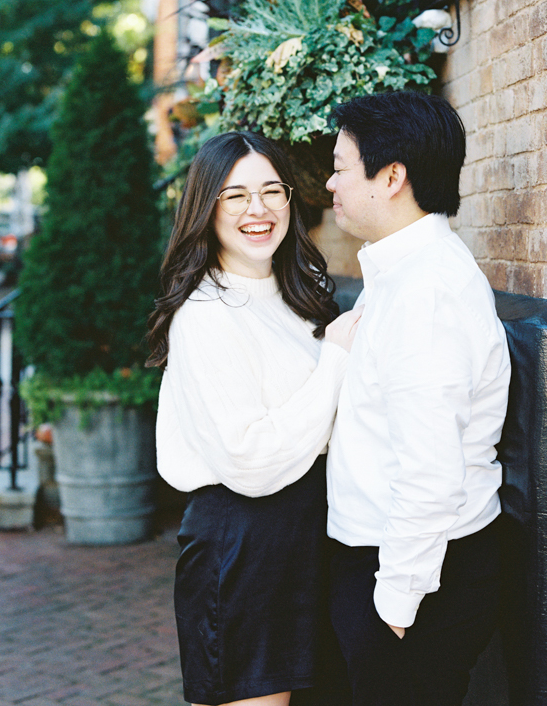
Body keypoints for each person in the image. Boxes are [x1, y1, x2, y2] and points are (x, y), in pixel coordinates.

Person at [147, 131, 359, 706]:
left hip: (313, 534)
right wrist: (336, 361)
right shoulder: (206, 313)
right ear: (204, 207)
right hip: (245, 539)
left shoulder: (302, 293)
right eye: (235, 196)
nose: (258, 210)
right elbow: (250, 460)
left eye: (272, 191)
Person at [324, 90, 511, 706]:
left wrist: (394, 603)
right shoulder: (399, 273)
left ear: (393, 176)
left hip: (417, 578)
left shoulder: (424, 293)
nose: (330, 183)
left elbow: (430, 473)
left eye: (342, 165)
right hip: (400, 563)